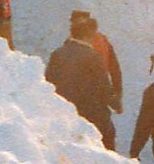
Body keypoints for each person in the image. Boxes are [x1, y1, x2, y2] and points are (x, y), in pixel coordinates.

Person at [45, 16, 116, 150]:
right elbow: (104, 87)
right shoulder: (92, 56)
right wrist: (114, 102)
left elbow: (48, 82)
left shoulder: (57, 54)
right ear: (88, 35)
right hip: (91, 113)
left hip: (64, 114)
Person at [70, 11, 123, 114]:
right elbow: (115, 71)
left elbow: (115, 70)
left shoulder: (72, 44)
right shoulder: (103, 40)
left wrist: (116, 96)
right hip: (99, 95)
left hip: (85, 96)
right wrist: (117, 97)